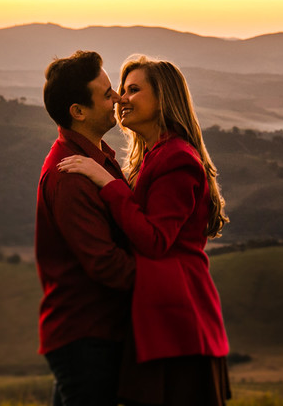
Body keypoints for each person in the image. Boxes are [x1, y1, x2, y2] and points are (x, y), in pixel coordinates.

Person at [58, 55, 231, 406]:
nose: (122, 98)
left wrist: (107, 182)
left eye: (133, 90)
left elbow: (155, 240)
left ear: (164, 98)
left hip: (177, 313)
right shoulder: (154, 156)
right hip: (161, 308)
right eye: (121, 90)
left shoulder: (176, 159)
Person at [37, 51, 137, 406]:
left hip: (88, 333)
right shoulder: (72, 178)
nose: (118, 98)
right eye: (107, 93)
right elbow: (105, 264)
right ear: (78, 111)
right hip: (87, 335)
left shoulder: (96, 158)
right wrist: (167, 275)